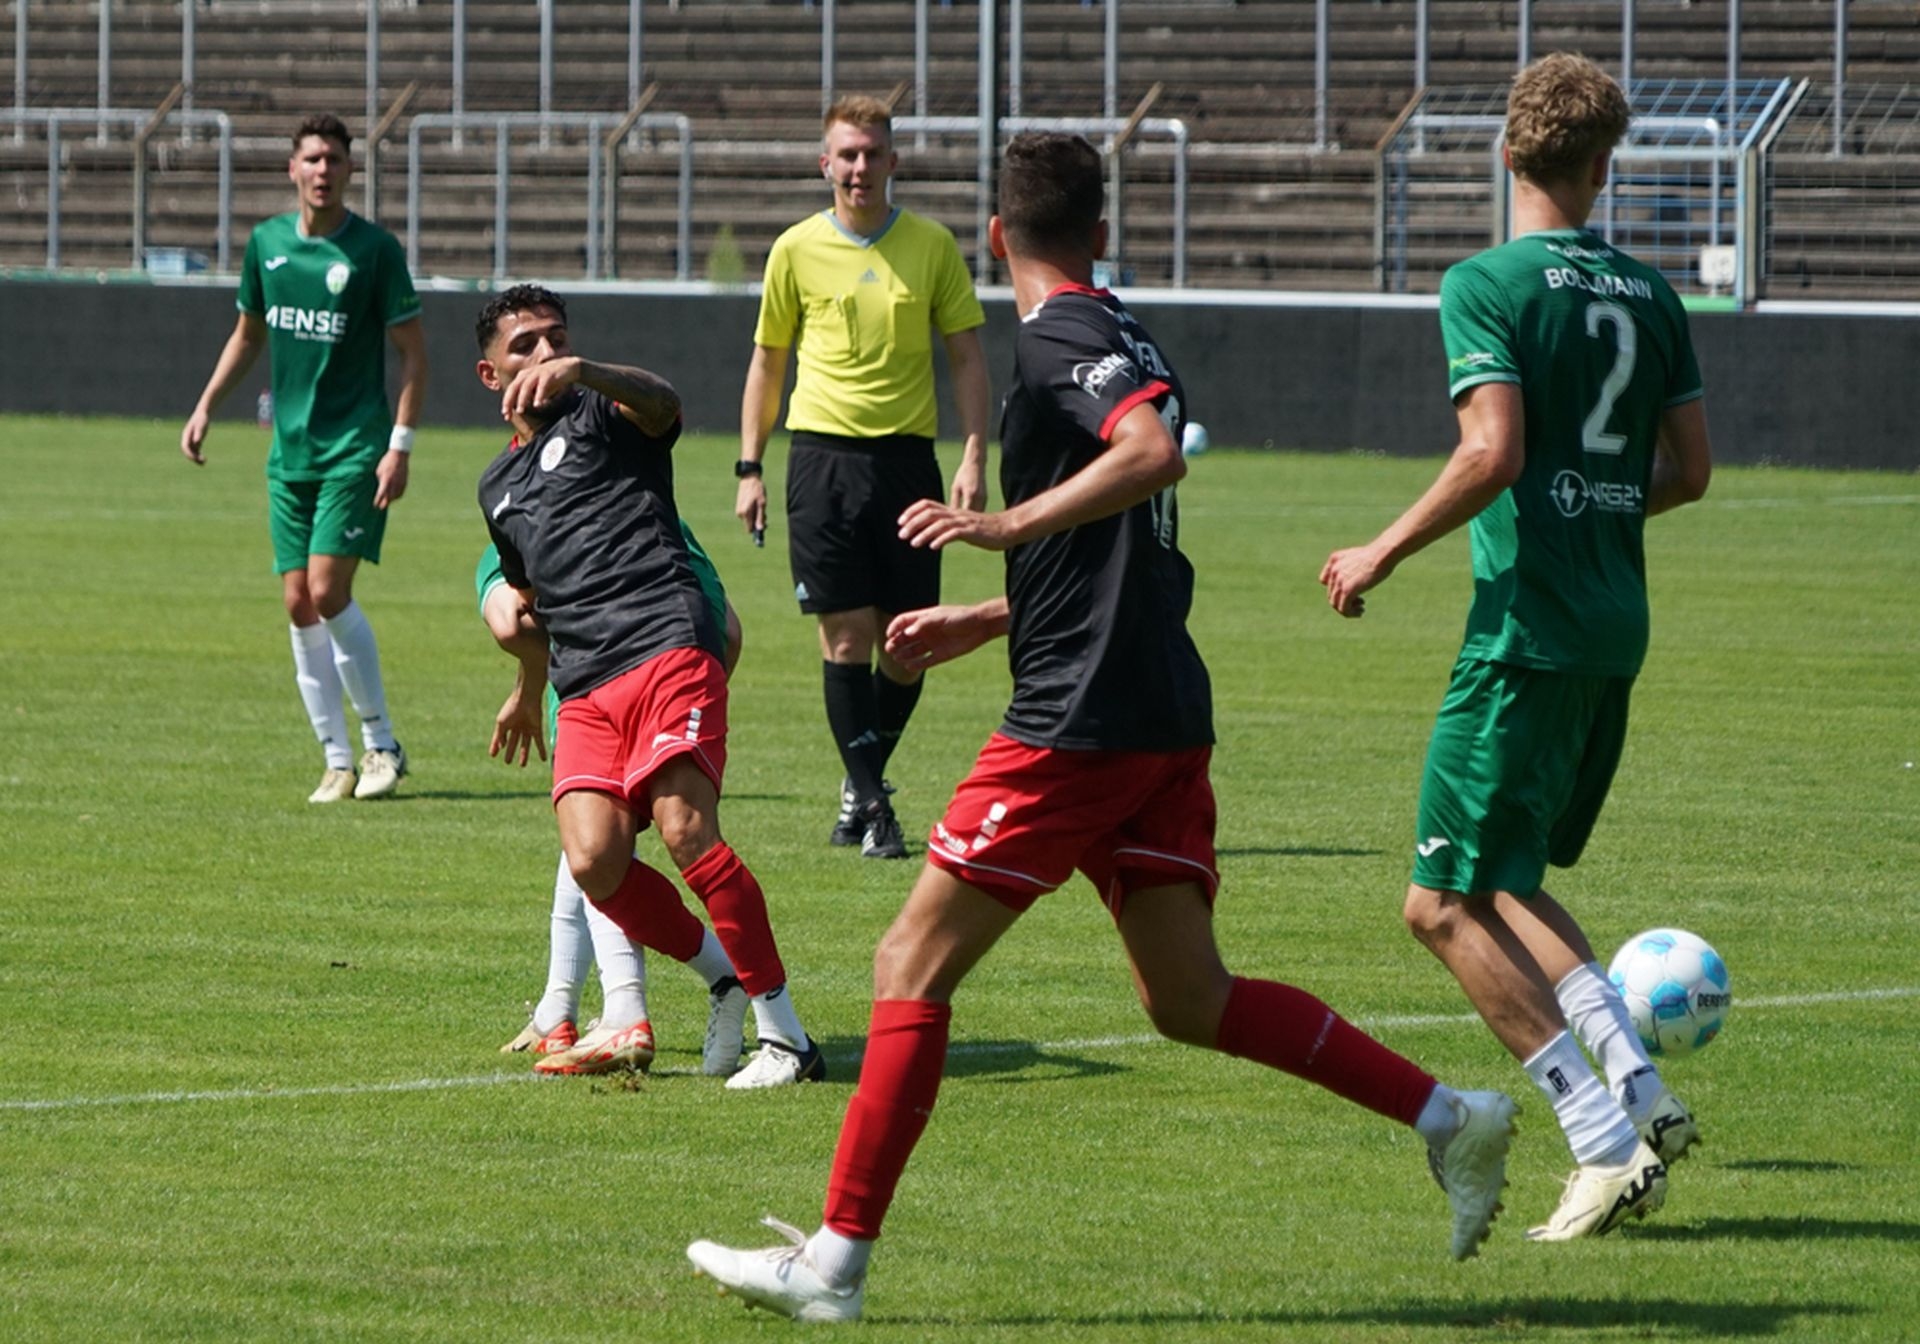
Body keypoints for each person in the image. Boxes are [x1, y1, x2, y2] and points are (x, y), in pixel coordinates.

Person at [686, 132, 1518, 1322]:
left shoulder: (1057, 336)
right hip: (1155, 705)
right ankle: (1451, 1116)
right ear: (1103, 232)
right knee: (1189, 999)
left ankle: (832, 1267)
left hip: (1078, 720)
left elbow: (1149, 457)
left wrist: (1002, 527)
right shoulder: (1127, 331)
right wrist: (989, 614)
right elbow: (1125, 543)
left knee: (908, 962)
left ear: (993, 238)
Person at [1318, 53, 1714, 1242]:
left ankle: (1600, 1143)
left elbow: (1492, 451)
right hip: (1612, 627)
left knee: (1437, 904)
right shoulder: (1652, 294)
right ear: (1604, 166)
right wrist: (1597, 504)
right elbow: (1690, 472)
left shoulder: (1486, 283)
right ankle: (1643, 1095)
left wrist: (1382, 549)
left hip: (1525, 629)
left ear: (1506, 153)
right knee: (1510, 878)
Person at [476, 283, 823, 1090]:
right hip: (584, 682)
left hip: (665, 641)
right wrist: (528, 686)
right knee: (594, 859)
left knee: (685, 831)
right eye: (525, 344)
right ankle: (725, 975)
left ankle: (788, 1039)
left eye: (556, 337)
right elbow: (533, 600)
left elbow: (665, 402)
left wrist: (588, 372)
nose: (546, 352)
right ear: (490, 375)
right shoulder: (497, 488)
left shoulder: (606, 412)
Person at [736, 93, 993, 860]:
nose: (860, 167)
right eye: (847, 155)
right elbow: (768, 362)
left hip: (908, 465)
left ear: (893, 161)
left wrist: (974, 455)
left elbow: (968, 358)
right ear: (826, 164)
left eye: (872, 153)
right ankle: (876, 806)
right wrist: (749, 466)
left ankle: (860, 782)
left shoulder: (932, 246)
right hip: (822, 461)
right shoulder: (795, 249)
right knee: (846, 638)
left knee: (908, 646)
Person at [181, 112, 427, 804]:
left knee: (326, 590)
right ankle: (336, 758)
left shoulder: (375, 252)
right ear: (292, 169)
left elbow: (414, 355)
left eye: (335, 160)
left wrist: (399, 446)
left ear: (350, 171)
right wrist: (205, 406)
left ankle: (382, 744)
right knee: (296, 602)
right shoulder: (267, 244)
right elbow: (248, 334)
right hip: (289, 453)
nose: (323, 170)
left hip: (355, 448)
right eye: (313, 159)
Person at [479, 539, 751, 1078]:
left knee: (599, 849)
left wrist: (532, 686)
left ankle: (640, 1006)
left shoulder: (528, 513)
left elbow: (512, 623)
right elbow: (730, 632)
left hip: (592, 690)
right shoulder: (664, 522)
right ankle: (558, 1009)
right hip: (681, 682)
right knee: (588, 850)